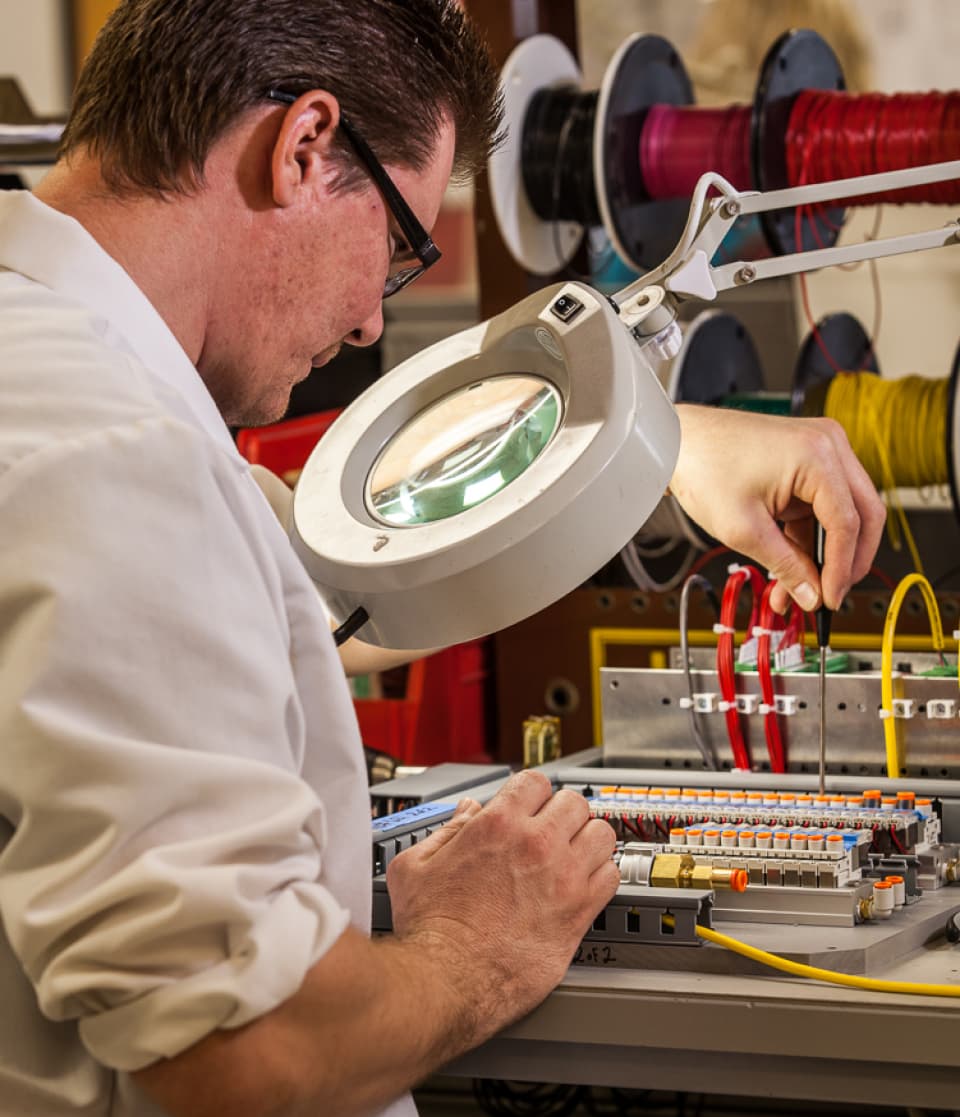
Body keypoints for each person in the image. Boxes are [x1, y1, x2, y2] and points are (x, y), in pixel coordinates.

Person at [0, 2, 884, 1116]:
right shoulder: (120, 456)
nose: (373, 321)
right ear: (305, 147)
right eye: (401, 248)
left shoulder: (46, 376)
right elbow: (244, 1054)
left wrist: (660, 445)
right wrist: (474, 946)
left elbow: (317, 583)